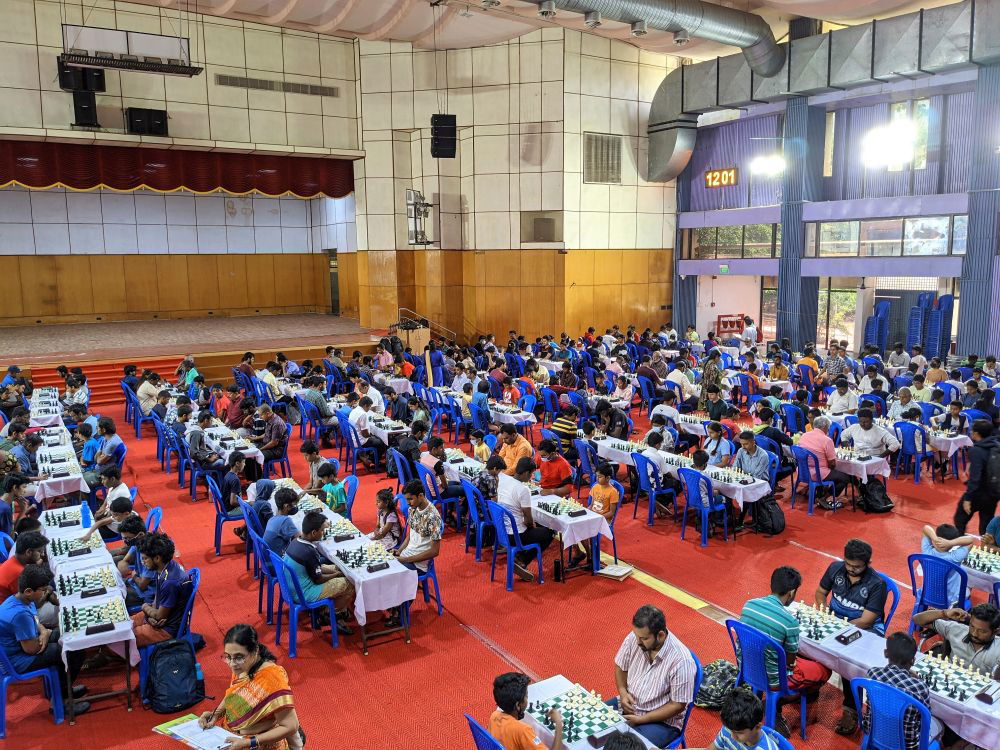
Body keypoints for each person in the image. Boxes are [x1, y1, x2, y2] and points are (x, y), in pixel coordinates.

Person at [740, 567, 832, 734]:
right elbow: (790, 663)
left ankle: (797, 697)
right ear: (791, 593)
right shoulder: (790, 622)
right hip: (774, 681)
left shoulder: (749, 605)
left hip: (747, 667)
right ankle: (780, 701)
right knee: (825, 669)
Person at [0, 565, 90, 715]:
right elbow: (32, 649)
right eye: (43, 590)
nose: (46, 593)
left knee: (70, 636)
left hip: (26, 645)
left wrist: (43, 632)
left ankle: (63, 690)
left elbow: (36, 622)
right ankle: (60, 703)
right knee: (70, 651)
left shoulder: (20, 599)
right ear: (29, 591)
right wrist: (46, 635)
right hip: (16, 661)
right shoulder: (19, 614)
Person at [197, 624, 299, 750]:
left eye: (238, 657)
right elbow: (235, 694)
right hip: (232, 738)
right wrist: (216, 714)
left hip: (260, 745)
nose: (232, 664)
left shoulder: (272, 679)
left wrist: (249, 742)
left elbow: (291, 726)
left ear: (255, 651)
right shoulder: (243, 666)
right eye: (228, 657)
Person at [612, 604, 697, 747]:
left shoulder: (682, 662)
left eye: (644, 639)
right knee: (592, 723)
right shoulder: (636, 637)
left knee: (626, 747)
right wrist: (622, 692)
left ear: (661, 635)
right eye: (636, 636)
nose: (637, 642)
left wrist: (641, 720)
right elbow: (620, 666)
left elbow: (677, 705)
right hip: (630, 706)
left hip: (662, 722)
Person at [856, 633, 941, 750]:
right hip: (909, 747)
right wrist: (918, 679)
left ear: (886, 653)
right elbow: (924, 718)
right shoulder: (920, 687)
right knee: (939, 725)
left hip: (872, 733)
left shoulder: (873, 673)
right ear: (913, 660)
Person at [283, 513, 354, 633]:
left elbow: (317, 567)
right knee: (349, 583)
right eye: (322, 530)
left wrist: (335, 570)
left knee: (337, 568)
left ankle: (338, 609)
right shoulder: (309, 551)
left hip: (292, 587)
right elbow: (318, 579)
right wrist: (337, 574)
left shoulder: (296, 541)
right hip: (304, 593)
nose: (324, 533)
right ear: (314, 533)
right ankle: (331, 614)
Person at [496, 457, 553, 581]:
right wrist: (533, 525)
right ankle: (523, 560)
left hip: (501, 531)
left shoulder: (504, 480)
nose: (531, 477)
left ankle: (519, 557)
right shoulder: (523, 489)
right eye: (532, 474)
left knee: (538, 528)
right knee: (549, 533)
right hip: (515, 536)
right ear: (527, 472)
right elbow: (528, 520)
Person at [131, 532, 189, 647]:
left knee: (124, 638)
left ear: (157, 558)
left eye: (145, 559)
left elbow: (159, 616)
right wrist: (150, 615)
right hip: (159, 616)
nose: (142, 562)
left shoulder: (169, 582)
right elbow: (157, 604)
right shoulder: (164, 567)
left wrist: (144, 607)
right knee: (125, 624)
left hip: (167, 629)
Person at [911, 603, 1000, 678]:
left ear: (996, 631)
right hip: (948, 678)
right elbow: (917, 619)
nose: (974, 634)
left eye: (982, 631)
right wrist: (944, 613)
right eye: (972, 626)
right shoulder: (956, 629)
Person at [487, 672, 565, 750]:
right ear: (518, 705)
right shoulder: (523, 731)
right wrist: (558, 724)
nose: (527, 699)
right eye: (526, 696)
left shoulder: (494, 716)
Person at [953, 420, 1000, 534]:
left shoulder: (976, 450)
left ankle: (960, 542)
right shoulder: (997, 447)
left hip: (978, 493)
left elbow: (975, 478)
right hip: (993, 494)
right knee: (986, 527)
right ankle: (987, 545)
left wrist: (968, 498)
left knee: (960, 520)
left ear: (976, 433)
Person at [918, 524, 977, 607]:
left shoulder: (927, 551)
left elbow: (925, 528)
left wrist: (935, 539)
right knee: (968, 589)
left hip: (928, 595)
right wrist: (950, 543)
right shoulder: (955, 557)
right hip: (950, 600)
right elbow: (970, 540)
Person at [347, 396, 383, 471]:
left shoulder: (354, 410)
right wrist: (371, 435)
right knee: (380, 442)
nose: (369, 409)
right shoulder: (363, 414)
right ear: (366, 405)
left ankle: (367, 457)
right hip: (360, 441)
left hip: (353, 438)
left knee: (375, 437)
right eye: (369, 406)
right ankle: (371, 461)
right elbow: (365, 434)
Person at [262, 488, 300, 556]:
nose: (295, 507)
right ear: (286, 506)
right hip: (279, 560)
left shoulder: (272, 519)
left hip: (270, 556)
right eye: (294, 505)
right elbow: (300, 538)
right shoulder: (285, 521)